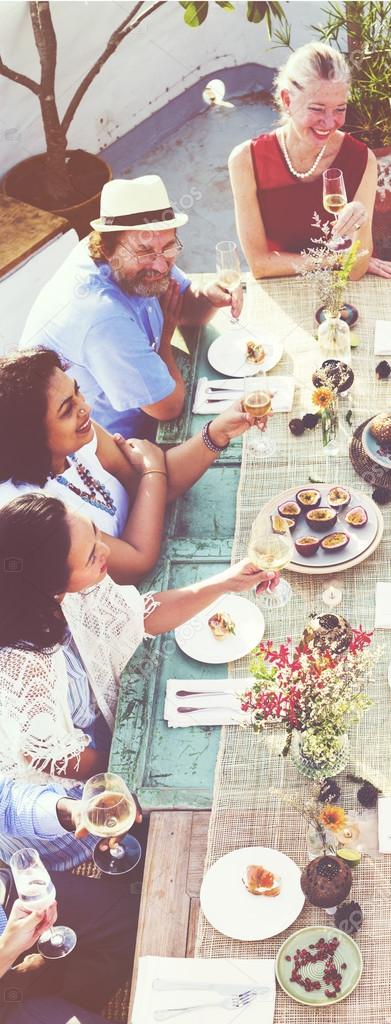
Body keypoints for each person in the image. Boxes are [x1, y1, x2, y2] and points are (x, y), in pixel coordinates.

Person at [0, 494, 279, 786]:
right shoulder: (21, 662)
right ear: (49, 583)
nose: (106, 550)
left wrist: (229, 582)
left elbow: (139, 617)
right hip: (74, 783)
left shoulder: (72, 588)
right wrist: (125, 769)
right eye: (91, 556)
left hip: (115, 721)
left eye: (97, 534)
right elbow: (47, 754)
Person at [0, 348, 264, 584]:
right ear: (29, 436)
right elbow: (137, 562)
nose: (86, 407)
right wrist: (152, 470)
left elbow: (154, 489)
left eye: (77, 391)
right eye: (68, 409)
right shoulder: (32, 511)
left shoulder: (78, 437)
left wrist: (218, 432)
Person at [20, 174, 243, 439]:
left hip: (146, 408)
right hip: (100, 448)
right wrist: (165, 341)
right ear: (107, 248)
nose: (160, 266)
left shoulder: (131, 253)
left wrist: (209, 295)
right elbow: (168, 407)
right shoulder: (101, 316)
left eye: (169, 247)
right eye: (144, 252)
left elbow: (182, 306)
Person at [229, 41, 391, 281]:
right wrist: (336, 260)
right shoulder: (245, 160)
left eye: (340, 109)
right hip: (279, 290)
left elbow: (355, 271)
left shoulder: (363, 160)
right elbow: (260, 266)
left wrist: (360, 222)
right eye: (318, 109)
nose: (330, 122)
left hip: (338, 293)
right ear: (287, 100)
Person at [0, 779, 140, 1022]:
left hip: (9, 899)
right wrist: (7, 953)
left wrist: (71, 812)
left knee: (133, 919)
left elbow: (5, 801)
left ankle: (66, 999)